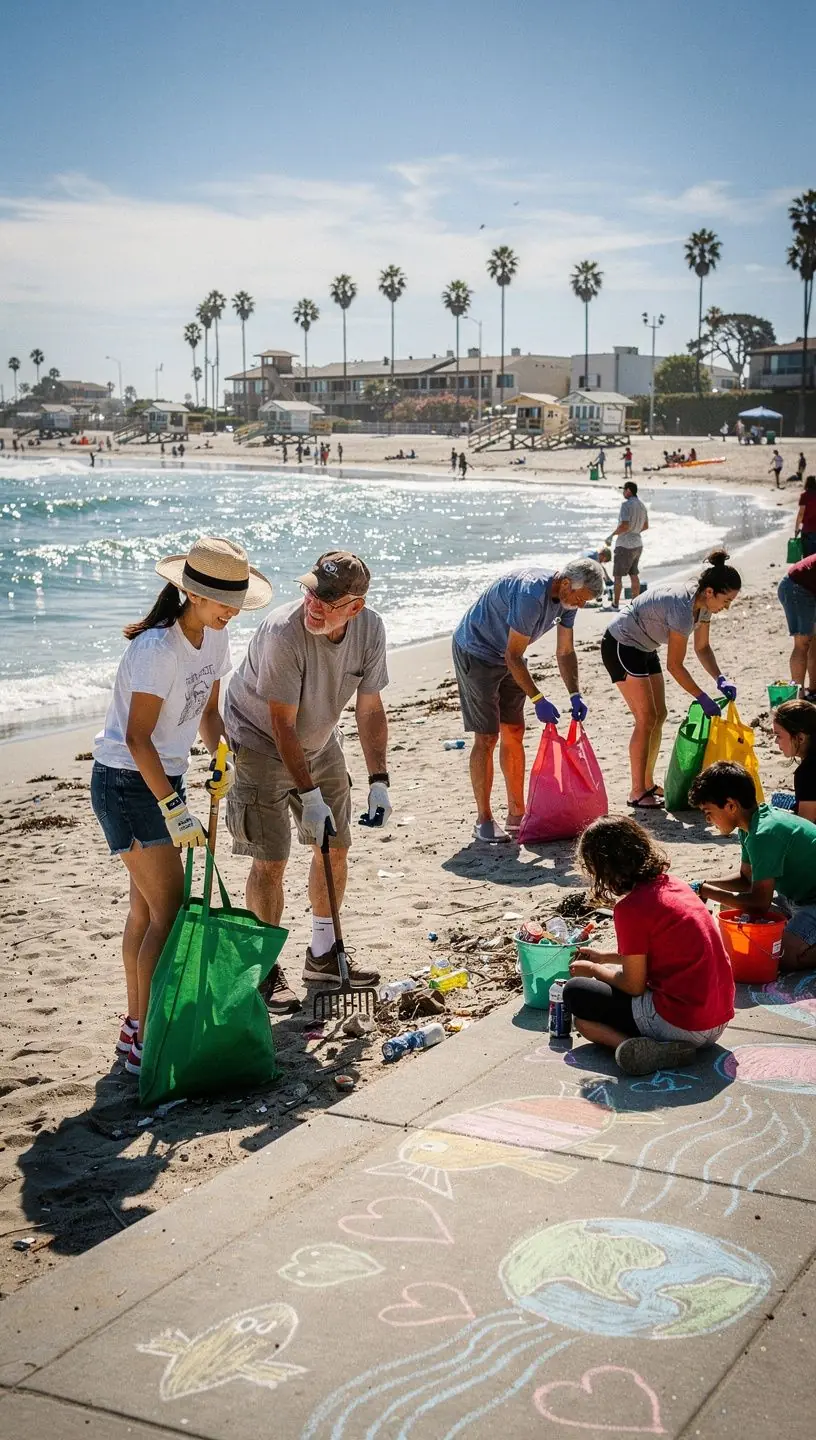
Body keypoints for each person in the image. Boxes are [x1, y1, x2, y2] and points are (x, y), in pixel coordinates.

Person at [90, 538, 272, 1075]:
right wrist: (172, 806)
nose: (233, 613)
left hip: (164, 778)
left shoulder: (214, 638)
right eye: (224, 603)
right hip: (128, 782)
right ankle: (148, 1040)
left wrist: (222, 756)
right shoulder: (156, 651)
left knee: (146, 911)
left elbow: (208, 711)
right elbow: (137, 737)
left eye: (238, 602)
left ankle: (133, 1025)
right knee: (168, 916)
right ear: (192, 593)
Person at [224, 551, 389, 1013]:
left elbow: (371, 707)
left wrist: (379, 778)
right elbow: (281, 725)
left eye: (329, 599)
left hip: (319, 740)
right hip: (258, 740)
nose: (314, 603)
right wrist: (310, 795)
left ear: (354, 606)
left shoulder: (370, 629)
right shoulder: (284, 632)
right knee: (270, 860)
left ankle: (322, 953)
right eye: (312, 590)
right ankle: (263, 970)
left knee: (335, 847)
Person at [563, 815, 734, 1076]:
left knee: (576, 996)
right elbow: (663, 952)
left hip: (684, 1023)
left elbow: (634, 984)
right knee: (588, 1017)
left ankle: (635, 1047)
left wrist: (594, 971)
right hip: (717, 1019)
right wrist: (604, 958)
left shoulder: (630, 908)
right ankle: (648, 1046)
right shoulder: (675, 885)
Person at [452, 559, 604, 842]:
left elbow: (565, 651)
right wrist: (538, 698)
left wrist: (574, 693)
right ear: (567, 584)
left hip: (509, 655)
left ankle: (516, 814)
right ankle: (483, 821)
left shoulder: (567, 601)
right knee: (486, 737)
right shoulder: (531, 594)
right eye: (582, 599)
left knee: (515, 731)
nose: (581, 606)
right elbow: (513, 656)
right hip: (477, 650)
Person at [601, 550, 741, 809]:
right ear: (710, 592)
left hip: (645, 646)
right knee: (646, 719)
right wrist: (702, 697)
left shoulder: (704, 607)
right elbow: (675, 666)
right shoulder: (682, 609)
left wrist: (720, 678)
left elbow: (703, 648)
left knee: (659, 715)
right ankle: (636, 792)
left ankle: (647, 783)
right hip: (622, 643)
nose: (727, 607)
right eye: (727, 600)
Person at [689, 761, 816, 973]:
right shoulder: (748, 825)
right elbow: (746, 879)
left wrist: (707, 891)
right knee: (730, 908)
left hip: (811, 901)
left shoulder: (764, 833)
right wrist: (702, 884)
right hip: (797, 897)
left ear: (731, 806)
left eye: (708, 811)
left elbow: (759, 904)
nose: (708, 819)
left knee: (781, 957)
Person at [777, 550, 816, 699]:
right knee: (803, 643)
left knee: (814, 641)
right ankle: (798, 697)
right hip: (796, 588)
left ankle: (813, 689)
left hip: (810, 588)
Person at [605, 481, 649, 609]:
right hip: (638, 543)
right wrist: (635, 532)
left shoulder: (626, 505)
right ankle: (635, 604)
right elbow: (645, 526)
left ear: (629, 490)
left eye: (624, 490)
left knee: (618, 576)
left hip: (624, 545)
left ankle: (615, 604)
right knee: (633, 574)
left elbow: (624, 525)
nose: (623, 492)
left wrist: (611, 535)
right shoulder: (642, 506)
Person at [772, 699, 816, 822]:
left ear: (800, 738)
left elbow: (806, 826)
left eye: (778, 736)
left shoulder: (808, 772)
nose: (776, 741)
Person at [795, 475, 816, 559]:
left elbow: (801, 514)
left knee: (807, 558)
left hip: (808, 530)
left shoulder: (804, 495)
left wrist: (796, 529)